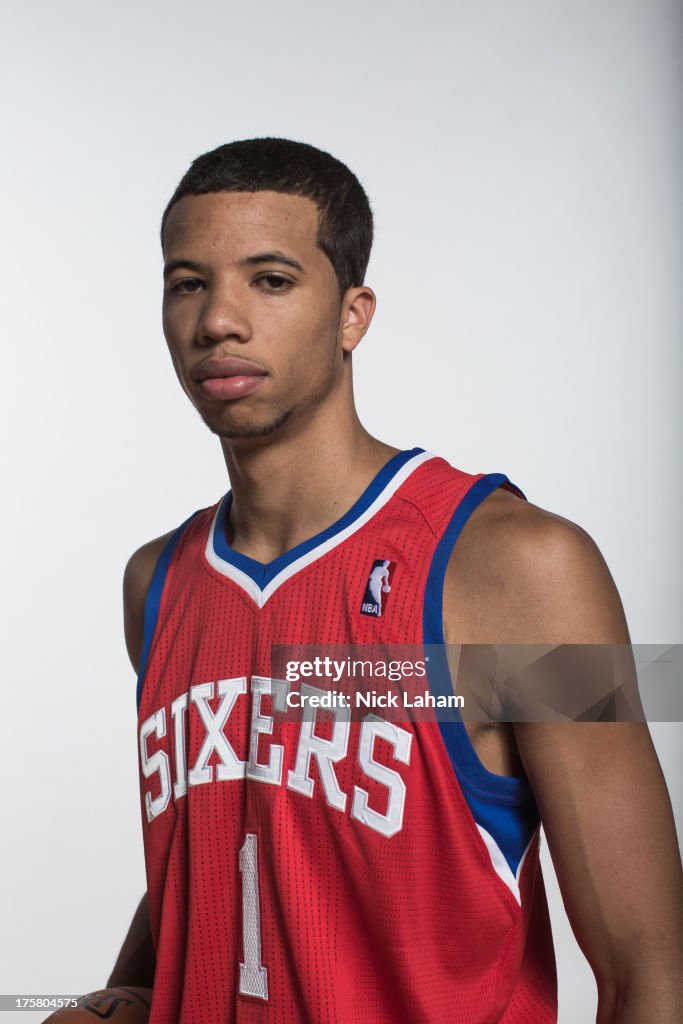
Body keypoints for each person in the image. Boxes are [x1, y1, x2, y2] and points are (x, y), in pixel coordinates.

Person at [106, 138, 683, 1023]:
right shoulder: (156, 584)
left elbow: (650, 967)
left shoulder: (525, 570)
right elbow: (229, 849)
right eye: (187, 282)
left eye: (270, 279)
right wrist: (116, 1001)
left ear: (352, 314)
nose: (218, 318)